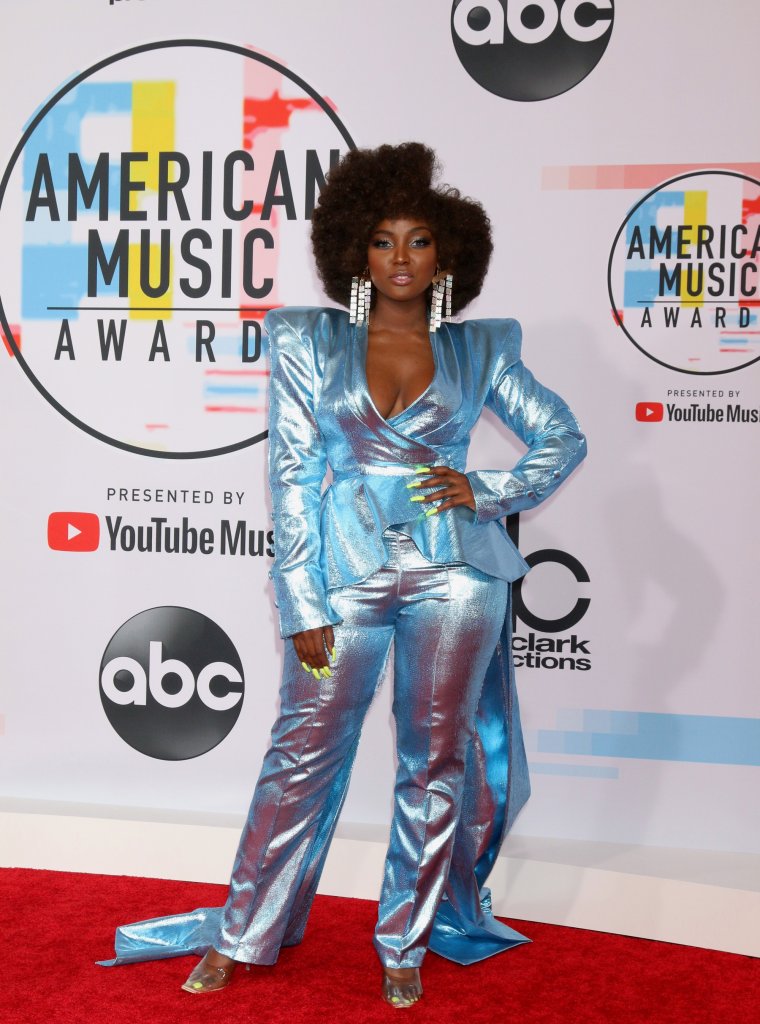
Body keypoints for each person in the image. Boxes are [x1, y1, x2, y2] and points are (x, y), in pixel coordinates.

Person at [100, 142, 586, 1008]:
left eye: (420, 241)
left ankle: (404, 938)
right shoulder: (305, 338)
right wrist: (299, 595)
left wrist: (487, 489)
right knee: (301, 755)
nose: (401, 259)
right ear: (354, 250)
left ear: (450, 255)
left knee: (434, 763)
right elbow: (291, 473)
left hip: (454, 578)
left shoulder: (484, 348)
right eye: (384, 241)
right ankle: (245, 932)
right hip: (342, 574)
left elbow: (563, 437)